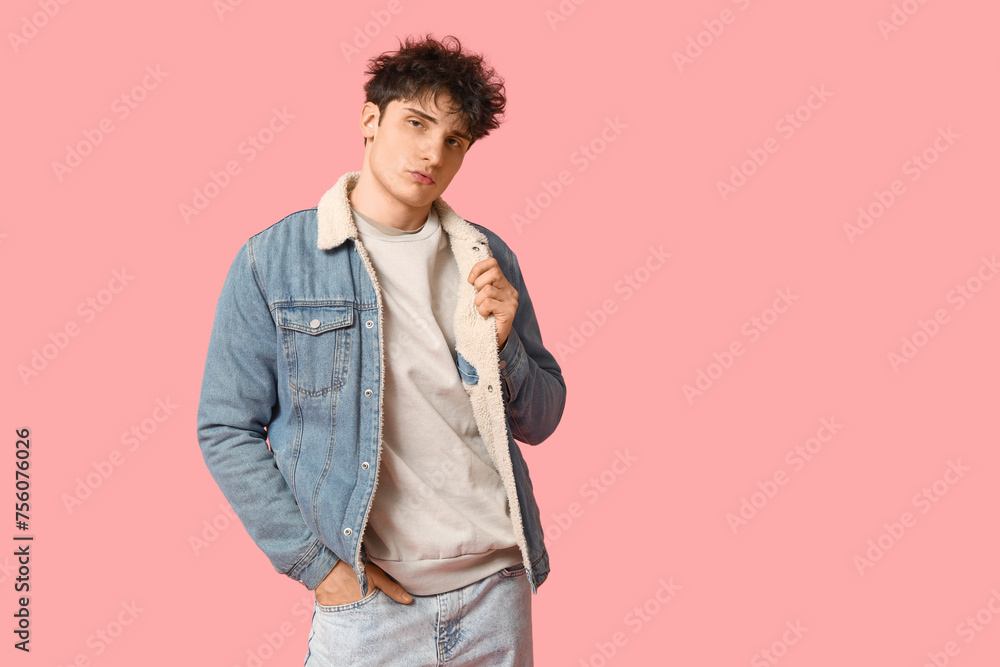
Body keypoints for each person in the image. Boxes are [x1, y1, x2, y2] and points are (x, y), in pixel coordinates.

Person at [196, 34, 566, 666]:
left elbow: (542, 418)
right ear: (370, 120)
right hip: (369, 609)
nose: (432, 153)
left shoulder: (485, 258)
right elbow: (226, 427)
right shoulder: (274, 263)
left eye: (455, 140)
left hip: (496, 594)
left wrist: (505, 347)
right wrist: (319, 570)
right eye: (417, 124)